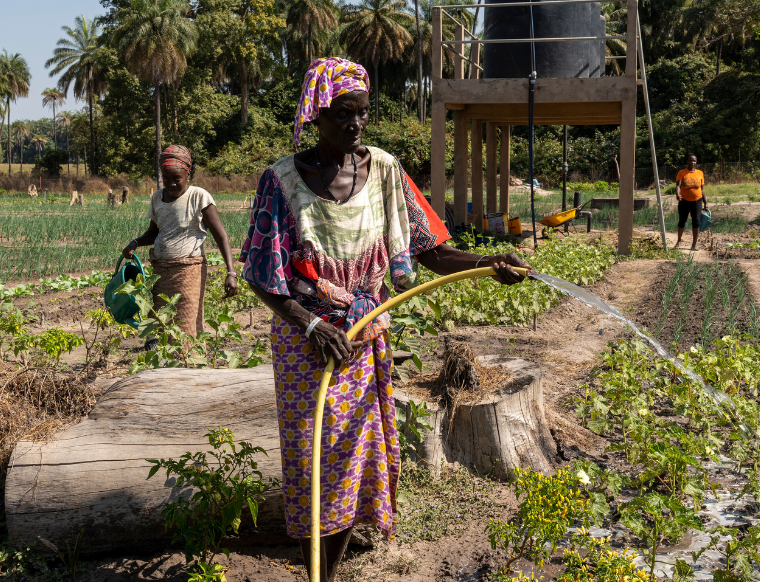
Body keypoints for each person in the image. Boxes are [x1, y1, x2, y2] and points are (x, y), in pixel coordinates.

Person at [239, 57, 531, 582]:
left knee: (356, 454)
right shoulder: (282, 181)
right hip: (308, 343)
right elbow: (263, 274)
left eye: (363, 113)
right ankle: (318, 570)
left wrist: (489, 264)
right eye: (343, 113)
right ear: (316, 113)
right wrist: (310, 323)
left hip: (363, 336)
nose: (355, 125)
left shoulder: (386, 171)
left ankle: (327, 571)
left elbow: (432, 252)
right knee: (315, 458)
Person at [123, 145, 239, 342]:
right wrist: (135, 242)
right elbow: (153, 232)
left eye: (177, 178)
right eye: (166, 179)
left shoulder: (198, 196)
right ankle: (161, 367)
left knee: (186, 324)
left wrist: (231, 273)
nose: (171, 184)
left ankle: (187, 365)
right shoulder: (157, 197)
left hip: (189, 273)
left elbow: (221, 237)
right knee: (160, 322)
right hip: (160, 272)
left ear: (188, 174)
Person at [674, 153, 706, 250]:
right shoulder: (682, 173)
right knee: (682, 221)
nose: (692, 162)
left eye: (694, 160)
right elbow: (678, 186)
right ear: (686, 161)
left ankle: (694, 244)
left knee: (696, 222)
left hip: (697, 201)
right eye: (690, 160)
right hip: (684, 201)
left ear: (696, 162)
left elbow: (702, 189)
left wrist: (706, 202)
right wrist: (678, 194)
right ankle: (679, 240)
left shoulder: (700, 173)